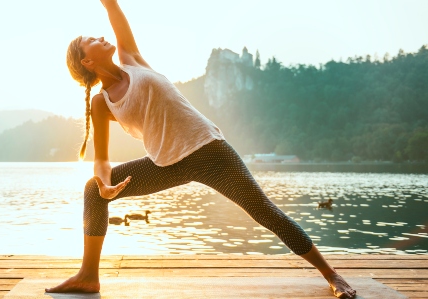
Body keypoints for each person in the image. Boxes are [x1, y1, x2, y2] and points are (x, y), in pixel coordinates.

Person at [46, 1, 356, 298]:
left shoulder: (132, 59)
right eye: (91, 40)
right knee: (92, 190)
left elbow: (111, 5)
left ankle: (331, 275)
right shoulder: (102, 103)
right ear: (87, 61)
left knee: (265, 211)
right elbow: (101, 159)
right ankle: (88, 276)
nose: (101, 37)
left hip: (211, 152)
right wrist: (106, 184)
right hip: (166, 164)